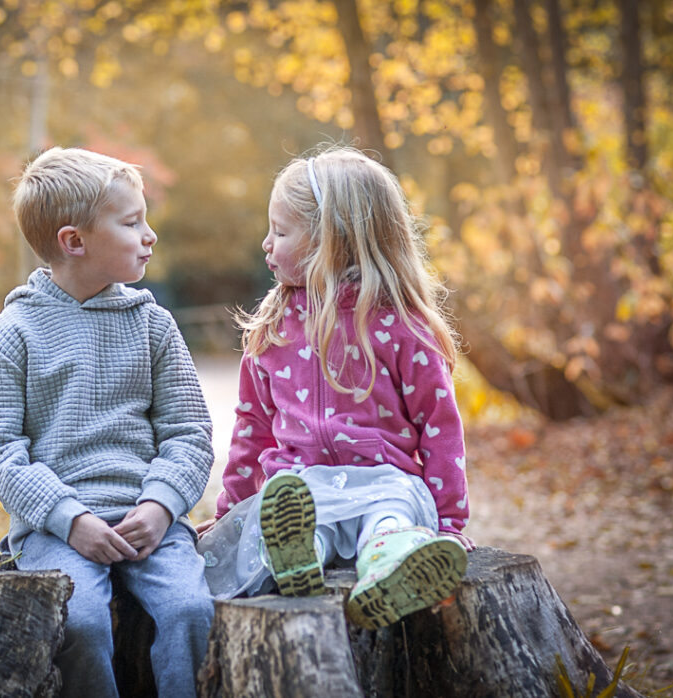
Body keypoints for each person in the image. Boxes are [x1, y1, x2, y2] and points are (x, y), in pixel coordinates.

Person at [0, 147, 215, 698]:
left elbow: (190, 433)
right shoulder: (9, 337)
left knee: (191, 610)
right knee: (78, 623)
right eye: (132, 223)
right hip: (57, 531)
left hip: (149, 521)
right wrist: (70, 519)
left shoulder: (154, 326)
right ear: (73, 241)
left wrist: (160, 506)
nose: (149, 234)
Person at [196, 145, 472, 630]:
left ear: (332, 240)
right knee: (299, 520)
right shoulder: (274, 327)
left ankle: (389, 564)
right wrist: (230, 507)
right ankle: (301, 558)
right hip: (302, 487)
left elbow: (440, 428)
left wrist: (449, 522)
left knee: (389, 518)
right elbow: (252, 429)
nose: (266, 243)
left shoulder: (396, 326)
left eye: (280, 232)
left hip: (387, 482)